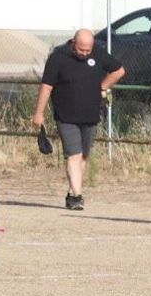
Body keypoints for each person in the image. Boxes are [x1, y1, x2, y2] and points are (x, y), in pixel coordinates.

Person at [32, 29, 124, 210]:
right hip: (66, 116)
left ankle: (72, 193)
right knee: (74, 155)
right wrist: (39, 113)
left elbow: (119, 71)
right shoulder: (58, 57)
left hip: (90, 114)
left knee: (83, 156)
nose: (85, 54)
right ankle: (77, 196)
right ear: (73, 43)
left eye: (88, 50)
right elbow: (46, 87)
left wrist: (103, 86)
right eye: (82, 50)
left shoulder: (98, 53)